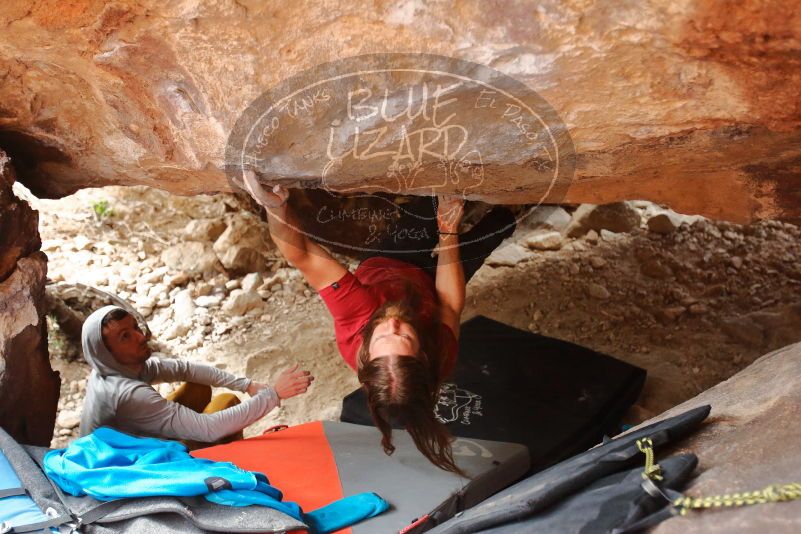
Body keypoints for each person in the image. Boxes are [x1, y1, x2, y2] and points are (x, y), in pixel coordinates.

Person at [242, 170, 516, 472]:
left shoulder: (357, 312)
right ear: (422, 351)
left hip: (387, 260)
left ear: (368, 349)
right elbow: (449, 303)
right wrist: (448, 230)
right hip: (428, 287)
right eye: (405, 337)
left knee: (430, 206)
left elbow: (303, 255)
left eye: (383, 338)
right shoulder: (438, 356)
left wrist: (276, 206)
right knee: (487, 231)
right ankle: (510, 212)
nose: (392, 326)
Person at [79, 305, 313, 446]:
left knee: (198, 387)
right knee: (225, 403)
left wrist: (247, 385)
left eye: (135, 328)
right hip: (128, 463)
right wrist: (273, 395)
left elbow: (186, 369)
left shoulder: (111, 367)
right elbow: (208, 428)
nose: (140, 337)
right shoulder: (129, 394)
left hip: (133, 436)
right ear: (106, 352)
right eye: (125, 337)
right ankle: (233, 459)